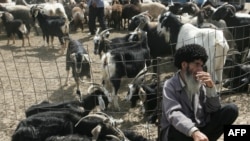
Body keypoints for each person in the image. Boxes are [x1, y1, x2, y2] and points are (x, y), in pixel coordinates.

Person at [160, 44, 239, 141]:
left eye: (201, 66)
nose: (200, 69)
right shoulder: (170, 85)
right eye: (197, 64)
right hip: (180, 133)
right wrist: (193, 131)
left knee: (231, 110)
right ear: (184, 65)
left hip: (199, 129)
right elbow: (174, 114)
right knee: (175, 128)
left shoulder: (199, 83)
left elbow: (213, 109)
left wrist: (210, 88)